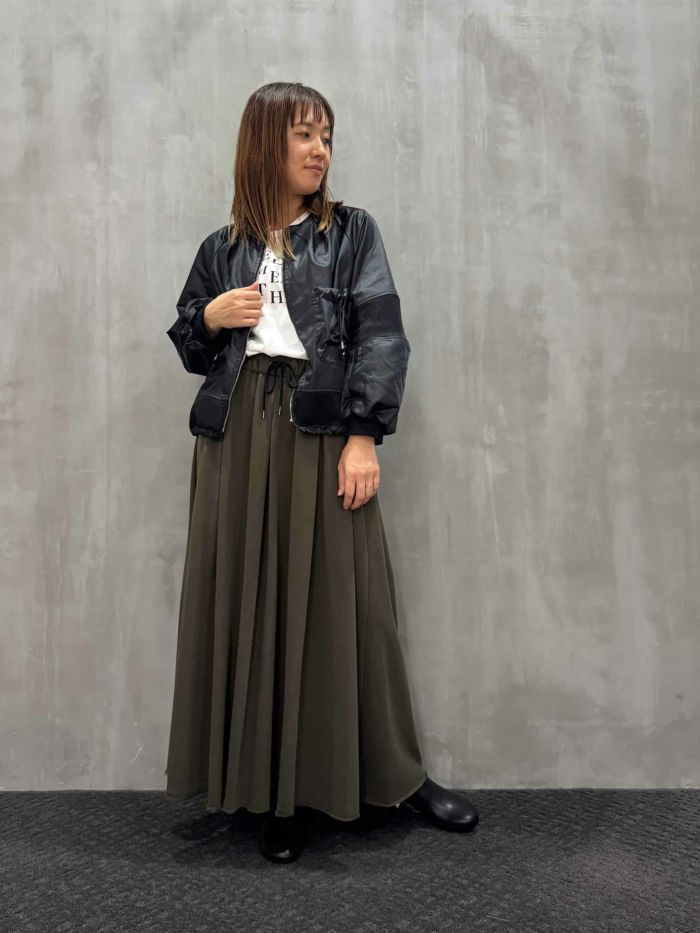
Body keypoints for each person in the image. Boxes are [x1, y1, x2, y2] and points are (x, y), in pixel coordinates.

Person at [164, 81, 478, 863]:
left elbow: (381, 335)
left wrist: (364, 435)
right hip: (237, 439)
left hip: (322, 425)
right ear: (264, 141)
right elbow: (193, 343)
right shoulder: (221, 246)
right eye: (304, 134)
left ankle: (398, 777)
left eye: (327, 136)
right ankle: (276, 794)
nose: (319, 150)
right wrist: (208, 316)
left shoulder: (352, 233)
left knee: (350, 605)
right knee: (253, 603)